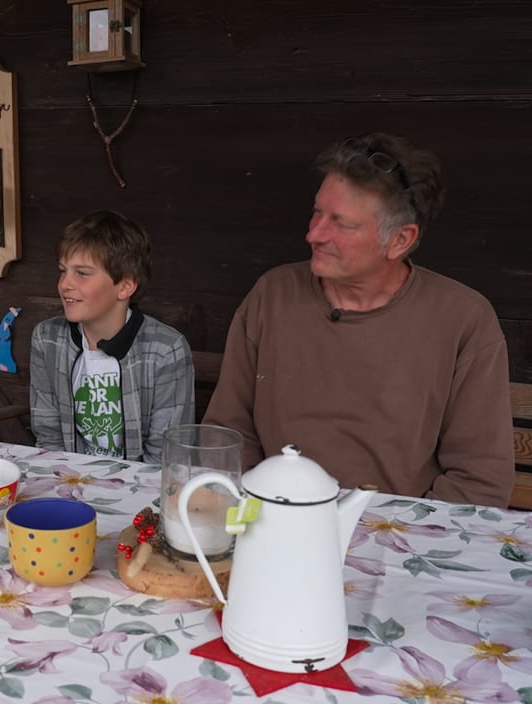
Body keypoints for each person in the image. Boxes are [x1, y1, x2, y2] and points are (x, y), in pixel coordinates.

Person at [203, 132, 514, 506]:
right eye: (317, 212)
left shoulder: (463, 319)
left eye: (341, 223)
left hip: (397, 536)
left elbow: (479, 478)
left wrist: (389, 536)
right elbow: (227, 433)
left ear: (400, 240)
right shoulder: (274, 294)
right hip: (273, 517)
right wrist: (259, 512)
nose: (313, 234)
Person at [30, 210, 195, 463]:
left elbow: (166, 456)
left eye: (82, 273)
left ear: (126, 286)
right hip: (70, 480)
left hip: (142, 491)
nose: (65, 284)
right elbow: (48, 435)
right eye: (63, 271)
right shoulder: (47, 339)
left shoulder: (165, 349)